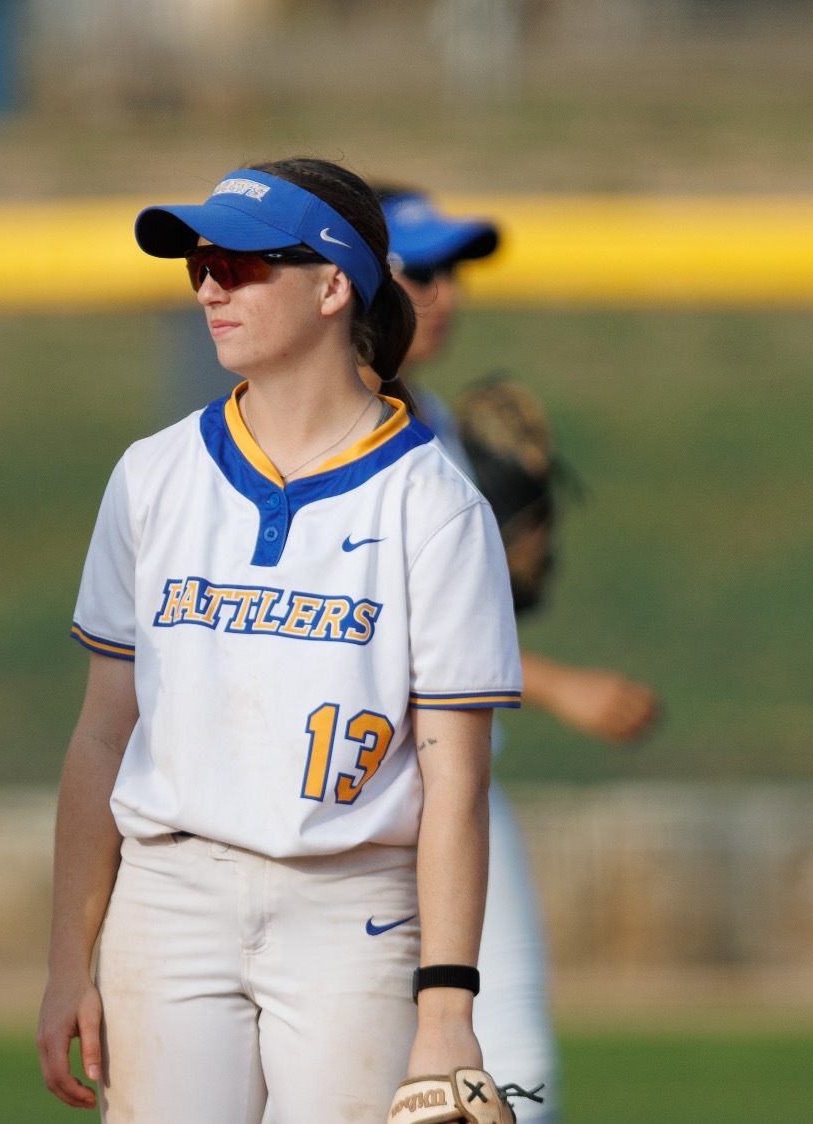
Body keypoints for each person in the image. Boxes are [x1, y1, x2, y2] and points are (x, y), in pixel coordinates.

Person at [37, 157, 523, 1123]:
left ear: (335, 284)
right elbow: (101, 735)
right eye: (199, 264)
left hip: (353, 906)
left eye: (243, 263)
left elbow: (456, 780)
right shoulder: (153, 475)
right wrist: (67, 964)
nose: (211, 284)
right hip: (169, 894)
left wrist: (448, 1008)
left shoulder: (432, 502)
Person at [379, 188, 664, 1123]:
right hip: (367, 807)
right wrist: (559, 686)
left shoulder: (440, 428)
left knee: (511, 1078)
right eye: (419, 271)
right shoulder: (338, 442)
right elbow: (386, 633)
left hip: (464, 795)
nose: (446, 293)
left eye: (452, 271)